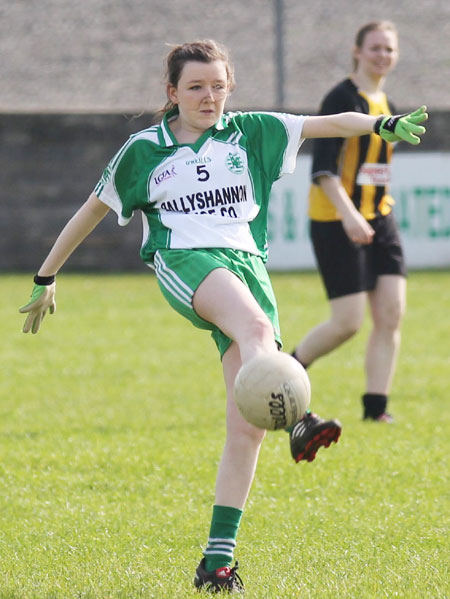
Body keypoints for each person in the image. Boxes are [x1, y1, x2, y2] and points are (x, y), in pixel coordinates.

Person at [19, 39, 426, 593]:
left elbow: (328, 123)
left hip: (247, 269)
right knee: (259, 333)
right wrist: (46, 276)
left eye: (217, 85)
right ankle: (302, 418)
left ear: (229, 88)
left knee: (248, 426)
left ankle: (216, 561)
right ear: (173, 92)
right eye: (195, 86)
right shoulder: (144, 150)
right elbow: (90, 210)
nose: (208, 96)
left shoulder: (252, 131)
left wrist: (381, 127)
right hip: (185, 261)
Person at [292, 21, 413, 425]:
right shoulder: (341, 98)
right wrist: (349, 215)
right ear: (357, 51)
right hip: (336, 219)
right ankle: (285, 374)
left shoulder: (387, 103)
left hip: (380, 217)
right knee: (347, 323)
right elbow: (323, 169)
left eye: (389, 49)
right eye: (376, 48)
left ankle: (376, 410)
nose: (383, 55)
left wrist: (371, 216)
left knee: (392, 313)